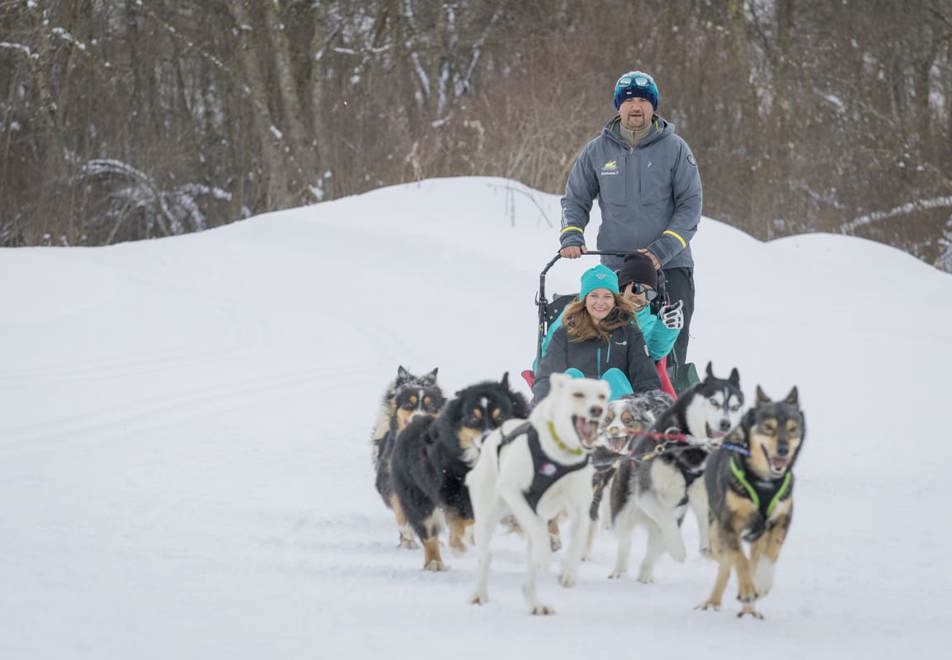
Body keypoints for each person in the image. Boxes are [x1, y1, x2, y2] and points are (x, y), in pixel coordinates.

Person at [558, 70, 701, 366]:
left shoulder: (675, 149)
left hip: (669, 266)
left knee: (670, 344)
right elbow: (575, 198)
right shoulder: (596, 151)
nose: (636, 106)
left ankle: (669, 404)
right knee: (614, 346)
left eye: (643, 100)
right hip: (616, 269)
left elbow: (690, 206)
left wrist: (661, 251)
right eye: (629, 100)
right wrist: (572, 235)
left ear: (654, 106)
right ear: (618, 106)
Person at [532, 264, 661, 402]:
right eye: (594, 296)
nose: (601, 303)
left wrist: (649, 407)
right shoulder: (564, 333)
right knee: (571, 375)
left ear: (615, 300)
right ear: (585, 299)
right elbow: (546, 377)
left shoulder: (629, 333)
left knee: (615, 376)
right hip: (575, 411)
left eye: (607, 296)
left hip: (618, 413)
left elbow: (646, 379)